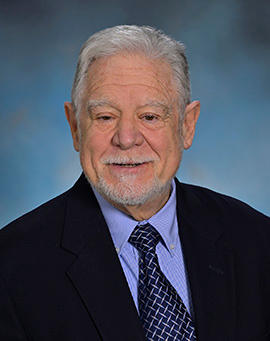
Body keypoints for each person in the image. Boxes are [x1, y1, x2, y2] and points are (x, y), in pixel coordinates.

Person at [0, 25, 269, 341]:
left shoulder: (257, 242)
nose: (126, 139)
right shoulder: (11, 267)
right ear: (75, 126)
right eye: (104, 117)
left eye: (150, 116)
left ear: (187, 125)